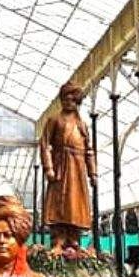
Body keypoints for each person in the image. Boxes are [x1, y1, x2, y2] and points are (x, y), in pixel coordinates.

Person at [39, 83, 96, 252]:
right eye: (65, 98)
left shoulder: (82, 124)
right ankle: (59, 238)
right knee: (60, 202)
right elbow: (44, 145)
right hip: (61, 165)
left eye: (72, 98)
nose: (69, 101)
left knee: (76, 203)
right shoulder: (54, 120)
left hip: (78, 168)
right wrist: (48, 167)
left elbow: (89, 150)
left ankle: (73, 237)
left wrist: (93, 173)